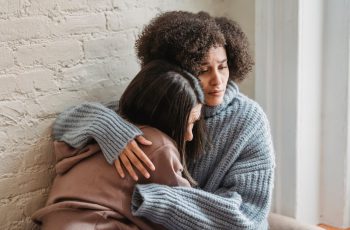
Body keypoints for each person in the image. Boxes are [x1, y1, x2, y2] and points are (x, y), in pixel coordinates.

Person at [52, 11, 275, 229]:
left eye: (223, 66)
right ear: (179, 71)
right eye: (203, 70)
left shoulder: (249, 121)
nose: (218, 80)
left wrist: (157, 199)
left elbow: (247, 217)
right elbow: (63, 124)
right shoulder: (164, 102)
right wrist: (109, 129)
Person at [32, 60, 205, 230]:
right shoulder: (158, 144)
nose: (189, 136)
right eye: (187, 124)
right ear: (166, 118)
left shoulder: (103, 126)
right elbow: (186, 212)